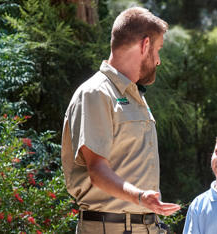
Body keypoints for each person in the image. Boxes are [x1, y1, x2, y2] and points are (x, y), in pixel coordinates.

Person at [60, 7, 180, 233]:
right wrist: (141, 197)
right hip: (109, 228)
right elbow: (97, 171)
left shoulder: (134, 97)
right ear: (145, 45)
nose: (159, 60)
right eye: (158, 50)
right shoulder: (95, 93)